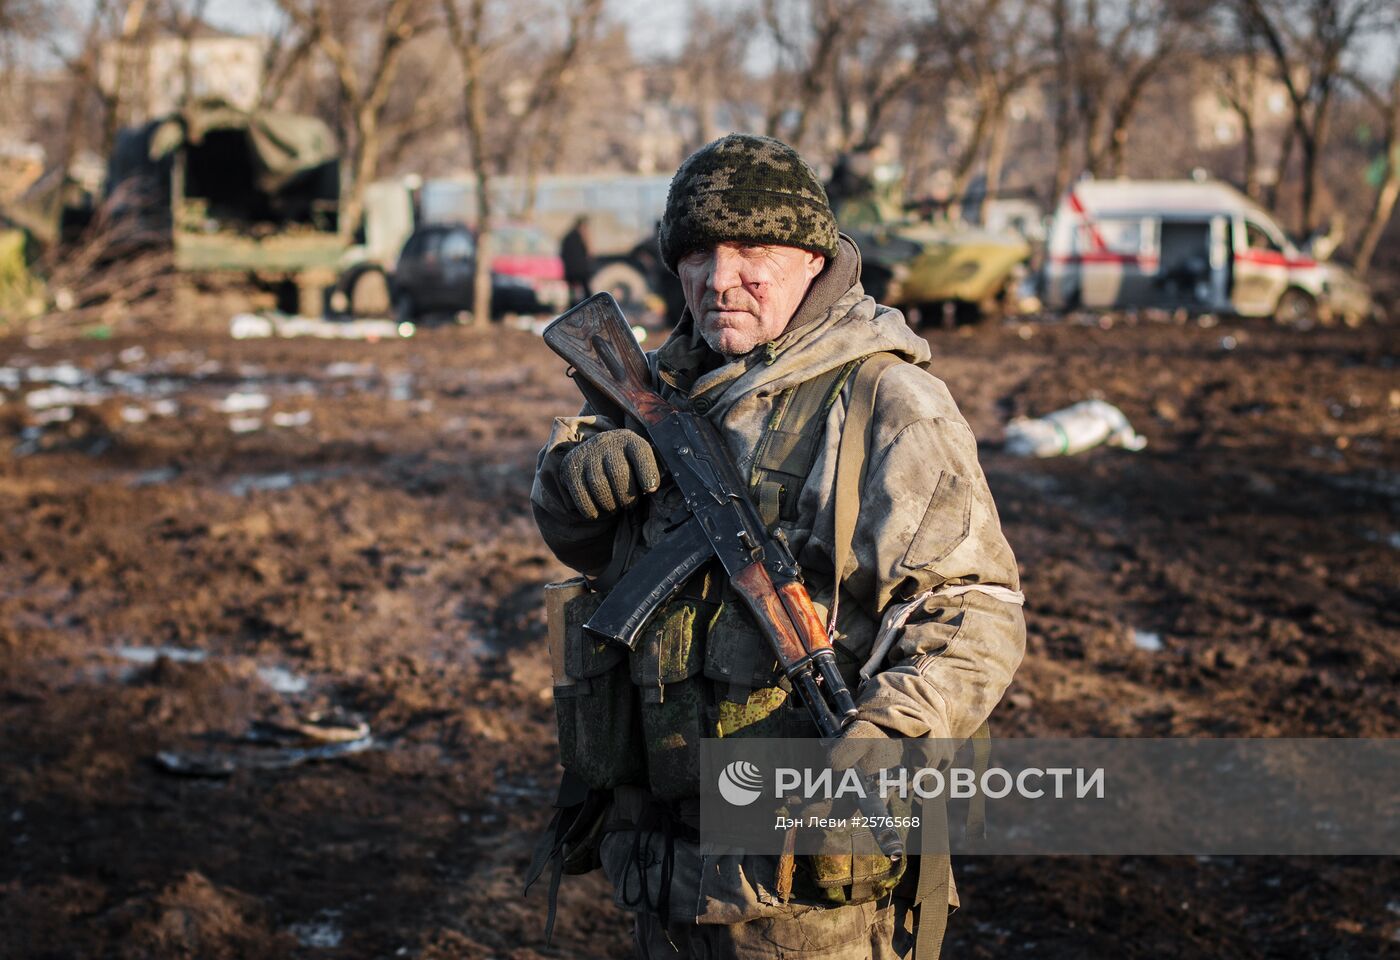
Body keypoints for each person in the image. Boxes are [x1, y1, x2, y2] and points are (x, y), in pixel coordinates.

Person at [530, 134, 1025, 959]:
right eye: (697, 254)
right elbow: (583, 547)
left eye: (752, 249)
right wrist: (574, 484)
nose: (720, 279)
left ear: (811, 258)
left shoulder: (887, 401)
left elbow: (974, 612)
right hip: (663, 878)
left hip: (804, 901)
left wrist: (893, 733)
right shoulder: (653, 388)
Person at [561, 215, 594, 306]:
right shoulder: (579, 237)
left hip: (571, 271)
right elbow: (587, 254)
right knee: (587, 292)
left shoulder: (568, 237)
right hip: (579, 270)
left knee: (572, 293)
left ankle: (573, 307)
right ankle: (590, 305)